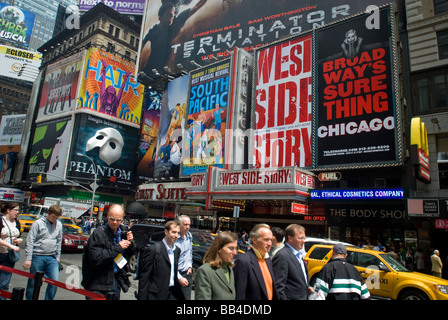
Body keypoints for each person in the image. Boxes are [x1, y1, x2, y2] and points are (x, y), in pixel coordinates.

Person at [81, 204, 134, 300]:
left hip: (114, 282)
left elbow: (129, 254)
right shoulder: (99, 233)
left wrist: (130, 242)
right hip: (98, 284)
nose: (115, 222)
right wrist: (118, 247)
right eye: (112, 219)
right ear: (107, 215)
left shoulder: (122, 232)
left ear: (123, 219)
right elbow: (96, 259)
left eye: (118, 220)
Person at [137, 220, 185, 300]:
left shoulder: (177, 251)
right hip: (156, 295)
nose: (176, 235)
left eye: (178, 233)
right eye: (173, 232)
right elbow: (144, 277)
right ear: (166, 232)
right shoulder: (154, 250)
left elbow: (173, 270)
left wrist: (180, 278)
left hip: (171, 293)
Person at [24, 204, 63, 300]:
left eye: (57, 217)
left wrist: (58, 257)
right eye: (53, 217)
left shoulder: (59, 224)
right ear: (48, 213)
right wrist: (28, 258)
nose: (55, 219)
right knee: (33, 282)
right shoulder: (37, 223)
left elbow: (59, 241)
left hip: (52, 257)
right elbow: (30, 241)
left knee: (54, 281)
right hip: (37, 256)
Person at [233, 223, 278, 300]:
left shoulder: (268, 260)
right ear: (254, 240)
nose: (270, 244)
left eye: (271, 240)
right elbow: (240, 294)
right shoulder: (243, 261)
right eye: (266, 240)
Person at [272, 224, 313, 300]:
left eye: (304, 238)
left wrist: (307, 287)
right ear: (290, 238)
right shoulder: (282, 255)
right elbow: (278, 287)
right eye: (300, 238)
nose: (303, 241)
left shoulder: (298, 255)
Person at [194, 231, 238, 300]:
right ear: (219, 249)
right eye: (231, 248)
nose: (235, 252)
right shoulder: (205, 271)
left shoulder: (229, 269)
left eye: (236, 248)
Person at [0, 202, 22, 300]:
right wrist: (10, 245)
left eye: (18, 210)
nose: (17, 212)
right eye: (15, 210)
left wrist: (19, 241)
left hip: (9, 256)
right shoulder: (1, 220)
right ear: (8, 210)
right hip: (1, 252)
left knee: (4, 283)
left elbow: (19, 237)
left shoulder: (17, 222)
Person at [175, 215, 192, 299]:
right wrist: (179, 277)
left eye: (189, 225)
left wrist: (189, 266)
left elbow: (189, 252)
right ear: (179, 225)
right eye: (185, 224)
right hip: (174, 274)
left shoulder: (189, 237)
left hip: (186, 273)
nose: (187, 227)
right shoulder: (173, 239)